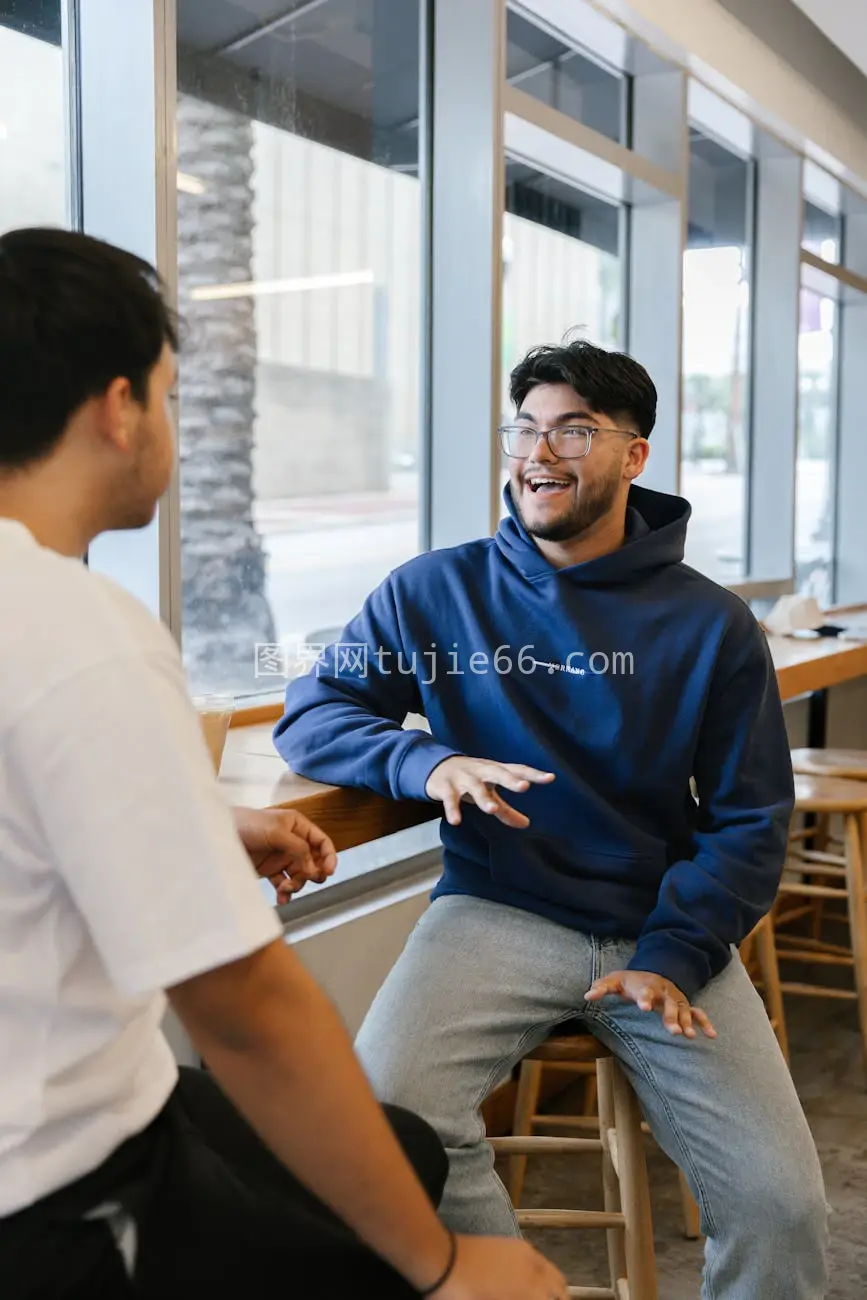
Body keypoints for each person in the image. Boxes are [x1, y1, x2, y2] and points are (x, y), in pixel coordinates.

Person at [0, 227, 568, 1300]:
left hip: (107, 1105)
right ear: (119, 409)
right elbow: (245, 1004)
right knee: (388, 1235)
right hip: (56, 1188)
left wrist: (198, 824)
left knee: (403, 1144)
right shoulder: (78, 632)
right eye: (168, 396)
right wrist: (442, 1264)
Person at [276, 338, 830, 1299]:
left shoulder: (711, 626)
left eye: (574, 429)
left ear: (633, 456)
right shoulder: (435, 590)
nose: (540, 451)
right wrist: (427, 758)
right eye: (525, 428)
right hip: (498, 909)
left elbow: (749, 820)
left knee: (783, 1208)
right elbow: (314, 712)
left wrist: (671, 954)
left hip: (665, 932)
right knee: (382, 1120)